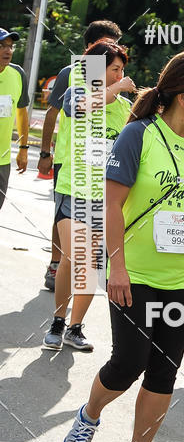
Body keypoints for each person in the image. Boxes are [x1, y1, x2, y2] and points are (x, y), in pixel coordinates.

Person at [62, 50, 184, 442]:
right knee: (128, 363)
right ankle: (88, 416)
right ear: (181, 93)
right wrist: (116, 266)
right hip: (132, 274)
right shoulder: (138, 135)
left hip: (183, 279)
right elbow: (111, 204)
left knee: (164, 371)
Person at [42, 40, 134, 352]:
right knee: (73, 256)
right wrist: (118, 86)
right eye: (114, 70)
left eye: (122, 70)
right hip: (73, 188)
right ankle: (57, 320)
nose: (119, 75)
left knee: (91, 265)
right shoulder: (76, 93)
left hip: (102, 196)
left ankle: (75, 327)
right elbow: (80, 107)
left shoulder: (124, 110)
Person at [39, 20, 123, 291]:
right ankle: (56, 262)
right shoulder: (71, 74)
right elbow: (55, 112)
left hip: (99, 167)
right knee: (62, 217)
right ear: (90, 49)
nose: (113, 50)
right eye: (106, 45)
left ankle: (83, 271)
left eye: (116, 45)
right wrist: (44, 152)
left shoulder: (115, 82)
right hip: (68, 159)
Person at [0, 29, 29, 210]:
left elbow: (21, 113)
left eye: (11, 46)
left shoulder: (17, 74)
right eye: (1, 46)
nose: (8, 51)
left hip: (2, 162)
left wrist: (23, 148)